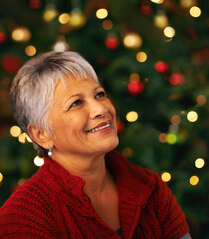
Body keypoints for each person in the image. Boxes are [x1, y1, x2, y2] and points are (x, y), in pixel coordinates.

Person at [0, 51, 191, 239]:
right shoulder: (20, 220)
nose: (101, 109)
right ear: (41, 134)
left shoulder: (150, 187)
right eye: (76, 103)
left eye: (99, 94)